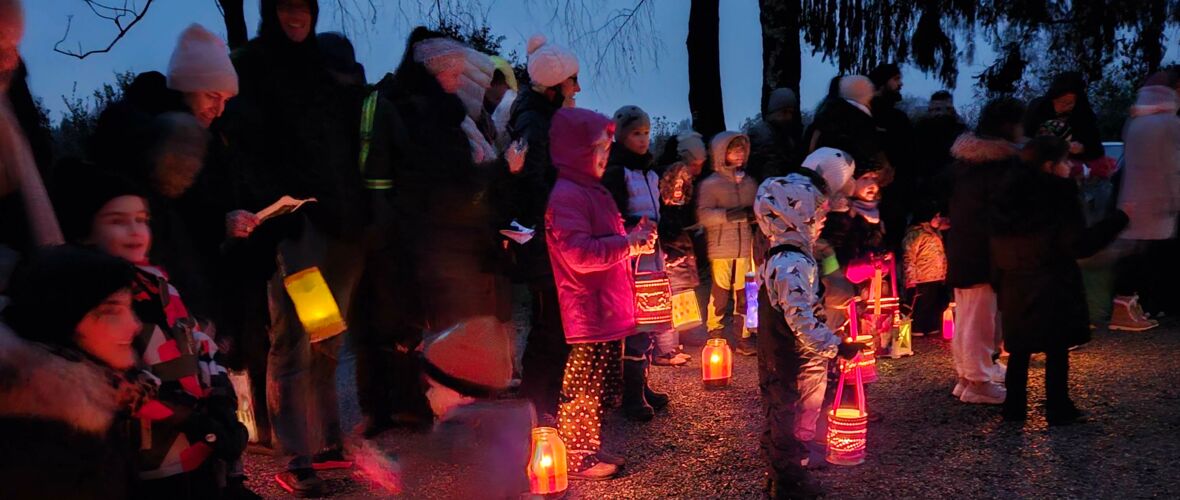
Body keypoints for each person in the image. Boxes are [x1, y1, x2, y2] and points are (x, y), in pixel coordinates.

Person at [224, 0, 368, 494]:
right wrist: (273, 213)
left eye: (302, 5)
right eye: (284, 5)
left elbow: (345, 144)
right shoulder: (252, 66)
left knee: (327, 336)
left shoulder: (323, 67)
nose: (295, 15)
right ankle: (296, 454)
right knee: (295, 339)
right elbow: (243, 150)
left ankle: (328, 443)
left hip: (339, 225)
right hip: (294, 227)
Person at [52, 163, 255, 498]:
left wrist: (221, 401)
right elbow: (111, 381)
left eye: (141, 220)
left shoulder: (162, 287)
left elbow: (200, 342)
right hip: (149, 462)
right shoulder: (91, 300)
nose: (135, 230)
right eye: (117, 221)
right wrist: (190, 420)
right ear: (85, 232)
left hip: (200, 453)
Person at [546, 107, 655, 480]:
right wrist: (628, 244)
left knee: (598, 386)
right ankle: (577, 456)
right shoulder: (567, 196)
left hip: (604, 309)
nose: (605, 155)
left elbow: (606, 236)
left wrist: (632, 235)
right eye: (598, 149)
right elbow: (578, 252)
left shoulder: (592, 191)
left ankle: (587, 447)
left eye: (607, 149)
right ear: (576, 150)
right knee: (583, 387)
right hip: (587, 310)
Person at [990, 135, 1128, 425]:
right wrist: (1117, 221)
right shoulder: (1059, 195)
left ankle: (1014, 408)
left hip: (1016, 280)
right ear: (1050, 165)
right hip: (1053, 281)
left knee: (1020, 348)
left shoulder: (1005, 194)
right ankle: (1058, 406)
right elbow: (1078, 244)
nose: (1069, 166)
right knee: (1056, 347)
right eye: (1066, 161)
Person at [0, 246, 146, 500]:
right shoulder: (36, 447)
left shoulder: (89, 405)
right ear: (62, 319)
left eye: (129, 307)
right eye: (112, 311)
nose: (135, 325)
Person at [753, 172, 864, 498]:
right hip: (792, 356)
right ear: (796, 216)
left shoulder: (780, 255)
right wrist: (836, 347)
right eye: (817, 214)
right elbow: (799, 317)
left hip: (782, 353)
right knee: (790, 411)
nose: (821, 221)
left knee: (783, 409)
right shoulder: (792, 262)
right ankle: (789, 481)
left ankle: (783, 466)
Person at [507, 33, 582, 421]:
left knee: (556, 323)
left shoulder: (542, 117)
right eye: (573, 80)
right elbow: (534, 186)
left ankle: (545, 403)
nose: (578, 88)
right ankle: (539, 411)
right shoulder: (535, 125)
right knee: (551, 324)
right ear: (555, 85)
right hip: (545, 241)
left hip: (551, 237)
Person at [944, 97, 1025, 405]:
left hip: (964, 247)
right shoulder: (1001, 166)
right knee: (980, 319)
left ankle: (969, 375)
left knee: (967, 316)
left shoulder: (965, 163)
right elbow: (1006, 213)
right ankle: (978, 381)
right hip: (984, 252)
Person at [1109, 74, 1180, 329]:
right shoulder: (1169, 123)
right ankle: (1145, 307)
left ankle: (1128, 307)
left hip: (1133, 198)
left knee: (1134, 256)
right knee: (1154, 258)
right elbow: (1173, 165)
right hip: (1160, 200)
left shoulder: (1136, 121)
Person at [697, 131, 759, 355]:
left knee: (745, 292)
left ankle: (743, 336)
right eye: (734, 150)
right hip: (722, 245)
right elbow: (703, 215)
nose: (739, 154)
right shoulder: (712, 184)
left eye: (742, 149)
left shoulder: (749, 182)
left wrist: (755, 216)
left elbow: (758, 208)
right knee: (720, 291)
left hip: (745, 246)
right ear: (722, 153)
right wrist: (730, 215)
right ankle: (715, 332)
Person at [869, 63, 917, 249]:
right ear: (882, 82)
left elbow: (910, 156)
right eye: (896, 79)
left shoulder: (899, 118)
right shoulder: (869, 116)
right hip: (876, 194)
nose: (900, 84)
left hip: (898, 196)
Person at [1023, 72, 1104, 162]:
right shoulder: (1038, 109)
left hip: (1070, 169)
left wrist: (1082, 149)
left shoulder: (1084, 117)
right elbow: (1024, 137)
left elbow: (1097, 151)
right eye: (1060, 101)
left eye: (1069, 103)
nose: (1063, 106)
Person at [902, 200, 950, 337]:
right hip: (922, 277)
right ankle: (917, 328)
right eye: (935, 216)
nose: (938, 219)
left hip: (936, 275)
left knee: (933, 304)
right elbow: (909, 257)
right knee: (922, 304)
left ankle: (931, 327)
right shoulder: (915, 234)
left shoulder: (933, 233)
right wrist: (910, 279)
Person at [747, 87, 803, 183]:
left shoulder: (786, 135)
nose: (789, 117)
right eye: (784, 112)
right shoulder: (761, 135)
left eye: (791, 112)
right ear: (774, 111)